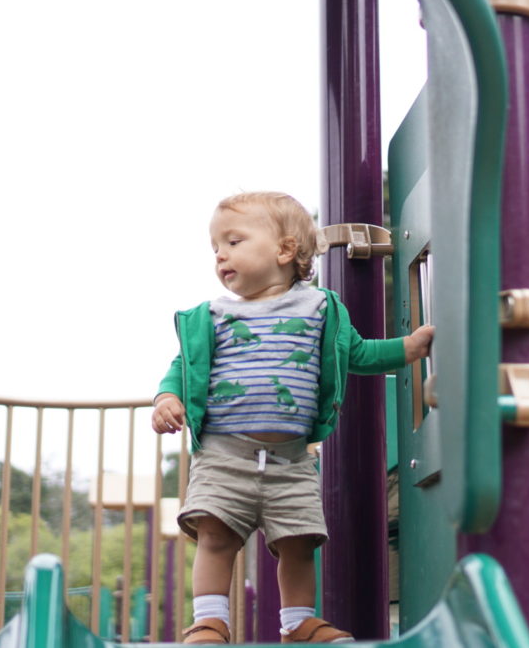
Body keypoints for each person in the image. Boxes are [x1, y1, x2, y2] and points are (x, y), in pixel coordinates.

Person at [152, 191, 434, 644]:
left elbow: (358, 354)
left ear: (284, 250)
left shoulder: (321, 309)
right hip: (225, 455)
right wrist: (168, 397)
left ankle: (297, 622)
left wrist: (408, 349)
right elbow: (184, 366)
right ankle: (209, 620)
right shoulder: (216, 316)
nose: (221, 254)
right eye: (215, 247)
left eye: (234, 241)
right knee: (216, 536)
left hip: (292, 461)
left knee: (298, 543)